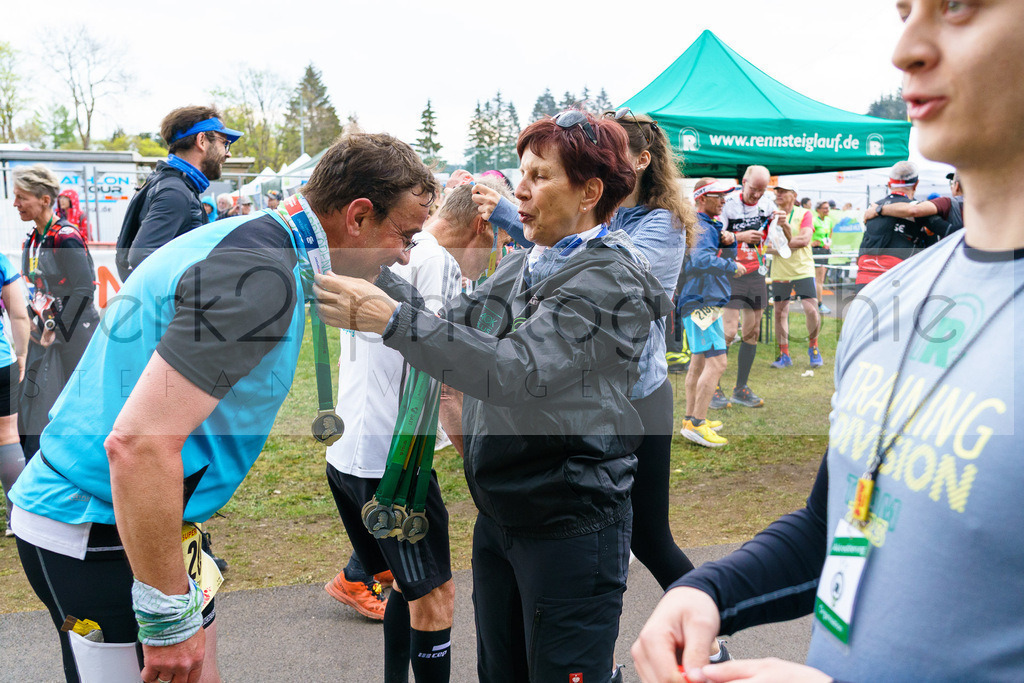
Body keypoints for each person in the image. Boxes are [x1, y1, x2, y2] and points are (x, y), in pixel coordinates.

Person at [631, 1, 1024, 680]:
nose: (906, 48)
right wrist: (709, 590)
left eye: (957, 5)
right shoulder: (889, 301)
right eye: (904, 10)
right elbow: (837, 520)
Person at [9, 132, 437, 683]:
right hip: (100, 522)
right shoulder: (261, 277)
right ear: (357, 216)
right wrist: (166, 618)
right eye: (404, 235)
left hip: (123, 515)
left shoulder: (262, 241)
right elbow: (139, 443)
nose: (405, 253)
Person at [314, 110, 665, 681]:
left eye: (539, 177)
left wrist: (392, 320)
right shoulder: (529, 263)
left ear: (590, 192)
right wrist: (371, 265)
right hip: (503, 517)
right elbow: (449, 325)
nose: (517, 192)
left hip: (568, 525)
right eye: (520, 173)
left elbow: (515, 371)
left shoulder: (609, 280)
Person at [326, 177, 514, 681]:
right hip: (391, 463)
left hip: (351, 454)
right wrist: (483, 477)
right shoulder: (435, 261)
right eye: (497, 244)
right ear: (482, 226)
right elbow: (445, 384)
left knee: (406, 591)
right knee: (436, 597)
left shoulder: (407, 249)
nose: (492, 259)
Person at [13, 165, 99, 461]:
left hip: (75, 331)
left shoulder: (66, 237)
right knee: (35, 400)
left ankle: (82, 463)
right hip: (45, 330)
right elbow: (37, 286)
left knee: (76, 401)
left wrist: (57, 328)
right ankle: (40, 463)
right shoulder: (32, 239)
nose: (16, 204)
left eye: (22, 197)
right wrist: (33, 320)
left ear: (44, 199)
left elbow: (84, 290)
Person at [116, 106, 242, 281]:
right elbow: (141, 258)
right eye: (224, 143)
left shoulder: (168, 183)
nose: (227, 154)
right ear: (202, 140)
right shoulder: (175, 191)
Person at [678, 179, 745, 448]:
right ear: (702, 198)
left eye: (724, 197)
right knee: (717, 363)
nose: (723, 201)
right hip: (701, 301)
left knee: (699, 361)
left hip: (701, 300)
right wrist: (731, 266)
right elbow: (700, 260)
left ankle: (690, 419)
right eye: (718, 196)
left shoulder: (707, 225)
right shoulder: (703, 226)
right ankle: (697, 423)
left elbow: (708, 257)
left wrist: (729, 242)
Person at [720, 165, 787, 409]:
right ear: (743, 181)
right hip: (731, 271)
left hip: (756, 273)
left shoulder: (767, 204)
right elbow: (714, 234)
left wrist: (781, 224)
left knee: (752, 332)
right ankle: (715, 385)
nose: (757, 195)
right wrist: (740, 237)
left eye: (762, 190)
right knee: (729, 331)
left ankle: (741, 388)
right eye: (753, 189)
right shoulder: (727, 203)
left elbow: (772, 239)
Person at [855, 160, 946, 287]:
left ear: (889, 184)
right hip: (898, 276)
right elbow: (947, 232)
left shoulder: (872, 208)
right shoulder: (919, 209)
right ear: (916, 184)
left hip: (864, 276)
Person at [768, 181, 823, 370]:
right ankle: (784, 354)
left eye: (783, 191)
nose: (779, 194)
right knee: (780, 313)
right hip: (780, 271)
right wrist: (781, 246)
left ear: (794, 195)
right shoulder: (771, 214)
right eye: (777, 191)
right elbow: (764, 246)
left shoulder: (804, 213)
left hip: (803, 269)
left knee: (811, 310)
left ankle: (813, 347)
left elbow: (805, 240)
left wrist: (779, 247)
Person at [0, 253, 30, 538]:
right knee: (7, 435)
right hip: (1, 361)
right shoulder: (0, 261)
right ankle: (16, 519)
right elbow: (19, 314)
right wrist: (21, 354)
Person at [863, 169, 964, 237]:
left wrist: (879, 209)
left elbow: (914, 210)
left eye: (951, 183)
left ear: (957, 186)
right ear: (915, 185)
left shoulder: (947, 202)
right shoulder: (979, 207)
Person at [810, 200, 835, 314]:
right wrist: (813, 242)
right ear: (818, 210)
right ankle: (818, 304)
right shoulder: (814, 220)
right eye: (824, 208)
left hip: (825, 250)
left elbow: (830, 232)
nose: (827, 210)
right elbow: (807, 234)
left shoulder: (829, 220)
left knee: (821, 278)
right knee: (818, 279)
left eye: (828, 208)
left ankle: (814, 302)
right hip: (816, 251)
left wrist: (828, 241)